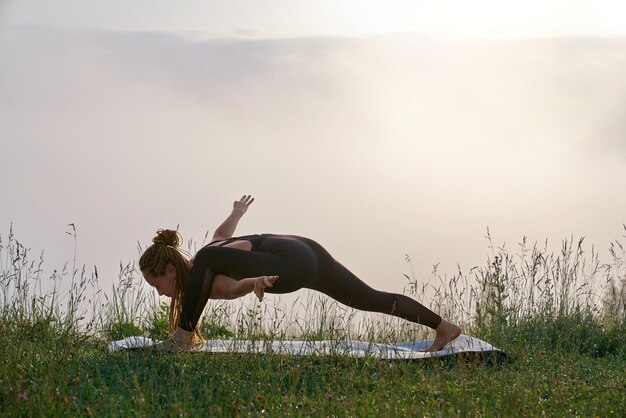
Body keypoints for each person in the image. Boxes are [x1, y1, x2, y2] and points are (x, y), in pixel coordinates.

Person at [139, 195, 462, 352]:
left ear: (170, 269)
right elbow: (227, 251)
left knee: (209, 255)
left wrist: (256, 278)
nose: (160, 293)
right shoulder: (210, 265)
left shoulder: (207, 264)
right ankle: (443, 327)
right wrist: (237, 213)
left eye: (157, 284)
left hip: (289, 262)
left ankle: (182, 338)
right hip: (308, 253)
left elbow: (226, 256)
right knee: (369, 298)